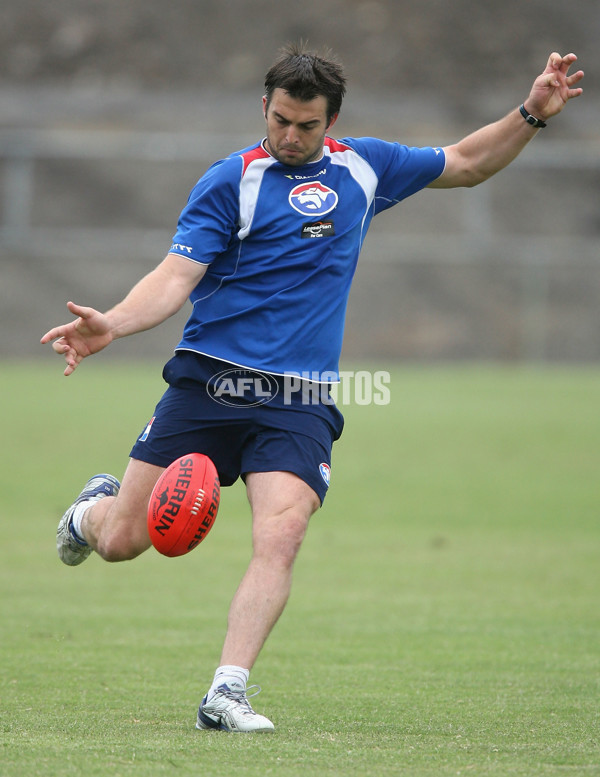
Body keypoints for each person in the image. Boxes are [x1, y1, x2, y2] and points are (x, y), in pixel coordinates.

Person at [41, 43, 583, 732]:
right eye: (279, 121)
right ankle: (91, 510)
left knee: (283, 531)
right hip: (210, 380)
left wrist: (531, 113)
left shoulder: (366, 166)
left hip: (301, 397)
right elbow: (174, 278)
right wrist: (113, 323)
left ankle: (226, 693)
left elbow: (468, 162)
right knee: (123, 540)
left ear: (332, 121)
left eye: (305, 125)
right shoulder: (230, 181)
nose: (290, 137)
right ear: (263, 110)